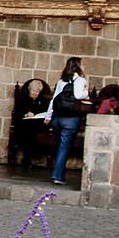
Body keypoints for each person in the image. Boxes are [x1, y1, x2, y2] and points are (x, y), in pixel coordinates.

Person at [45, 56, 89, 185]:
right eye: (83, 64)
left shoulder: (61, 81)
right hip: (70, 119)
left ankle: (60, 174)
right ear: (78, 66)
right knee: (64, 148)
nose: (84, 66)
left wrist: (48, 116)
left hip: (57, 118)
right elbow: (78, 95)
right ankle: (58, 176)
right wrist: (86, 92)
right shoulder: (80, 80)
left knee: (60, 146)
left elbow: (54, 100)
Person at [8, 76, 52, 170]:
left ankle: (27, 158)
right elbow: (18, 111)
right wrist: (26, 113)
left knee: (33, 131)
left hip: (37, 125)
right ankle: (27, 158)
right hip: (24, 124)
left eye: (37, 92)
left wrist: (36, 114)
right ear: (29, 90)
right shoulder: (23, 98)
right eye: (33, 91)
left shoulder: (42, 100)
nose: (35, 94)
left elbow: (44, 111)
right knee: (27, 131)